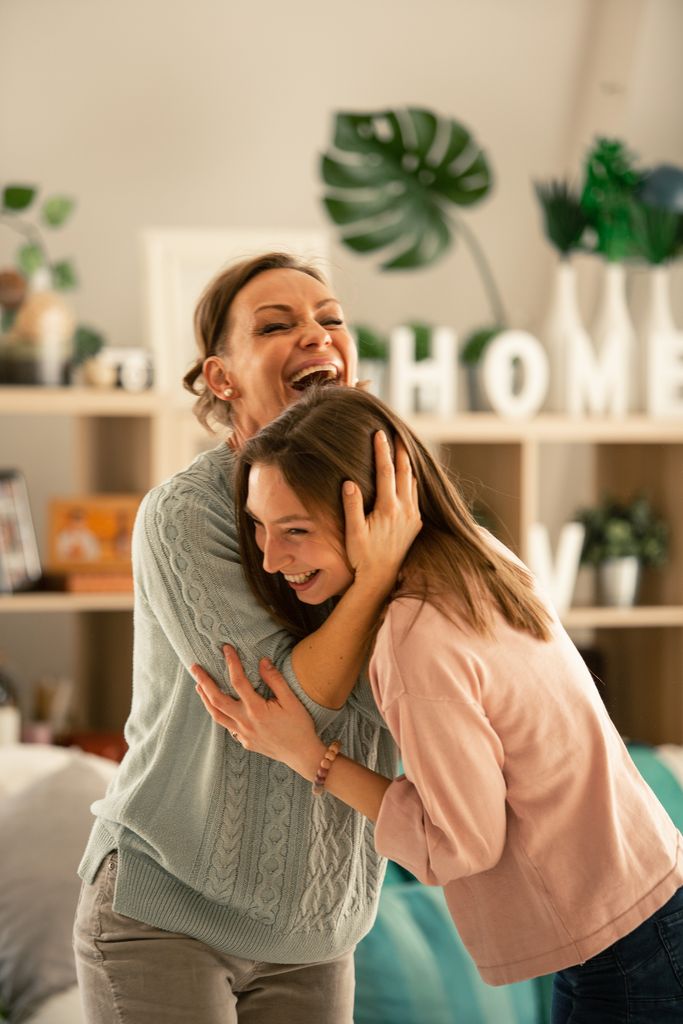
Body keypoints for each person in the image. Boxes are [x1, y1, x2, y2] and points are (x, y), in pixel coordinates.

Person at [193, 384, 683, 1024]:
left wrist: (308, 755)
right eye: (259, 526)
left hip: (622, 951)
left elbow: (462, 843)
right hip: (642, 910)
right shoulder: (478, 559)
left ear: (372, 514)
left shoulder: (417, 635)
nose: (268, 556)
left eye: (295, 530)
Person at [73, 253, 421, 1024]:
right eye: (276, 324)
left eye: (329, 318)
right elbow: (281, 698)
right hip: (166, 912)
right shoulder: (183, 516)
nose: (315, 334)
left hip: (318, 927)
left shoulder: (392, 494)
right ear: (221, 377)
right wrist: (378, 574)